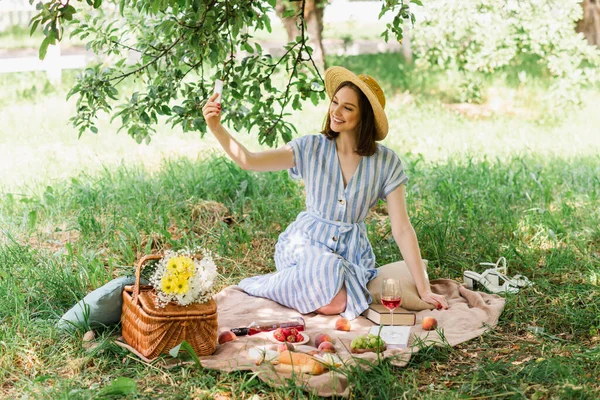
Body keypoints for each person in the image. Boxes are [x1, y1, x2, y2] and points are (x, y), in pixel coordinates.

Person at [202, 66, 448, 320]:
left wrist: (424, 289)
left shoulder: (386, 162)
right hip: (305, 244)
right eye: (335, 102)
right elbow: (250, 161)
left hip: (351, 253)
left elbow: (402, 228)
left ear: (364, 118)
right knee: (335, 295)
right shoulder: (310, 147)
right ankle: (268, 285)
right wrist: (216, 127)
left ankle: (301, 286)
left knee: (336, 294)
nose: (336, 111)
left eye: (347, 108)